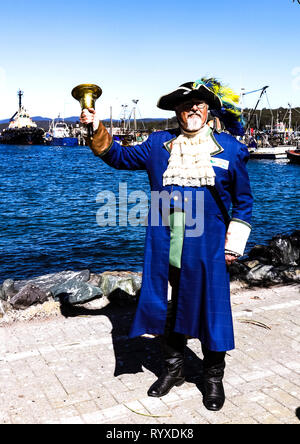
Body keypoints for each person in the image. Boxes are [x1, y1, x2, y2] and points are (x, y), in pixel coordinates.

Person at [80, 78, 253, 411]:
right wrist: (95, 126)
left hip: (208, 248)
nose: (192, 110)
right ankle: (173, 370)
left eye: (199, 105)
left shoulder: (230, 149)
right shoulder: (158, 145)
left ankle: (212, 378)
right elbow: (117, 156)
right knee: (167, 311)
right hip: (164, 246)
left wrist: (233, 246)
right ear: (177, 111)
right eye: (186, 105)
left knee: (211, 313)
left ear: (207, 108)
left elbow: (243, 202)